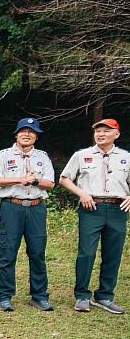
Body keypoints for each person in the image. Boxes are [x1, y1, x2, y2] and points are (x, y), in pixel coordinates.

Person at [59, 118, 130, 315]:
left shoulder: (126, 157)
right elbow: (64, 179)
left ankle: (105, 296)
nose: (100, 134)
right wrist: (81, 193)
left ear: (116, 134)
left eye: (106, 131)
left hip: (117, 209)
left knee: (113, 254)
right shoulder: (82, 155)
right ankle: (82, 295)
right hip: (91, 208)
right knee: (86, 253)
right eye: (97, 130)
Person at [0, 118, 56, 312]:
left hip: (36, 207)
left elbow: (50, 183)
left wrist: (34, 181)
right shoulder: (3, 155)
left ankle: (39, 295)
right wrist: (20, 179)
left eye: (31, 132)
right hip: (12, 206)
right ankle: (4, 295)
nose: (27, 134)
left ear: (36, 136)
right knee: (8, 252)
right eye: (23, 131)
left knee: (37, 252)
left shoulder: (42, 157)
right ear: (16, 134)